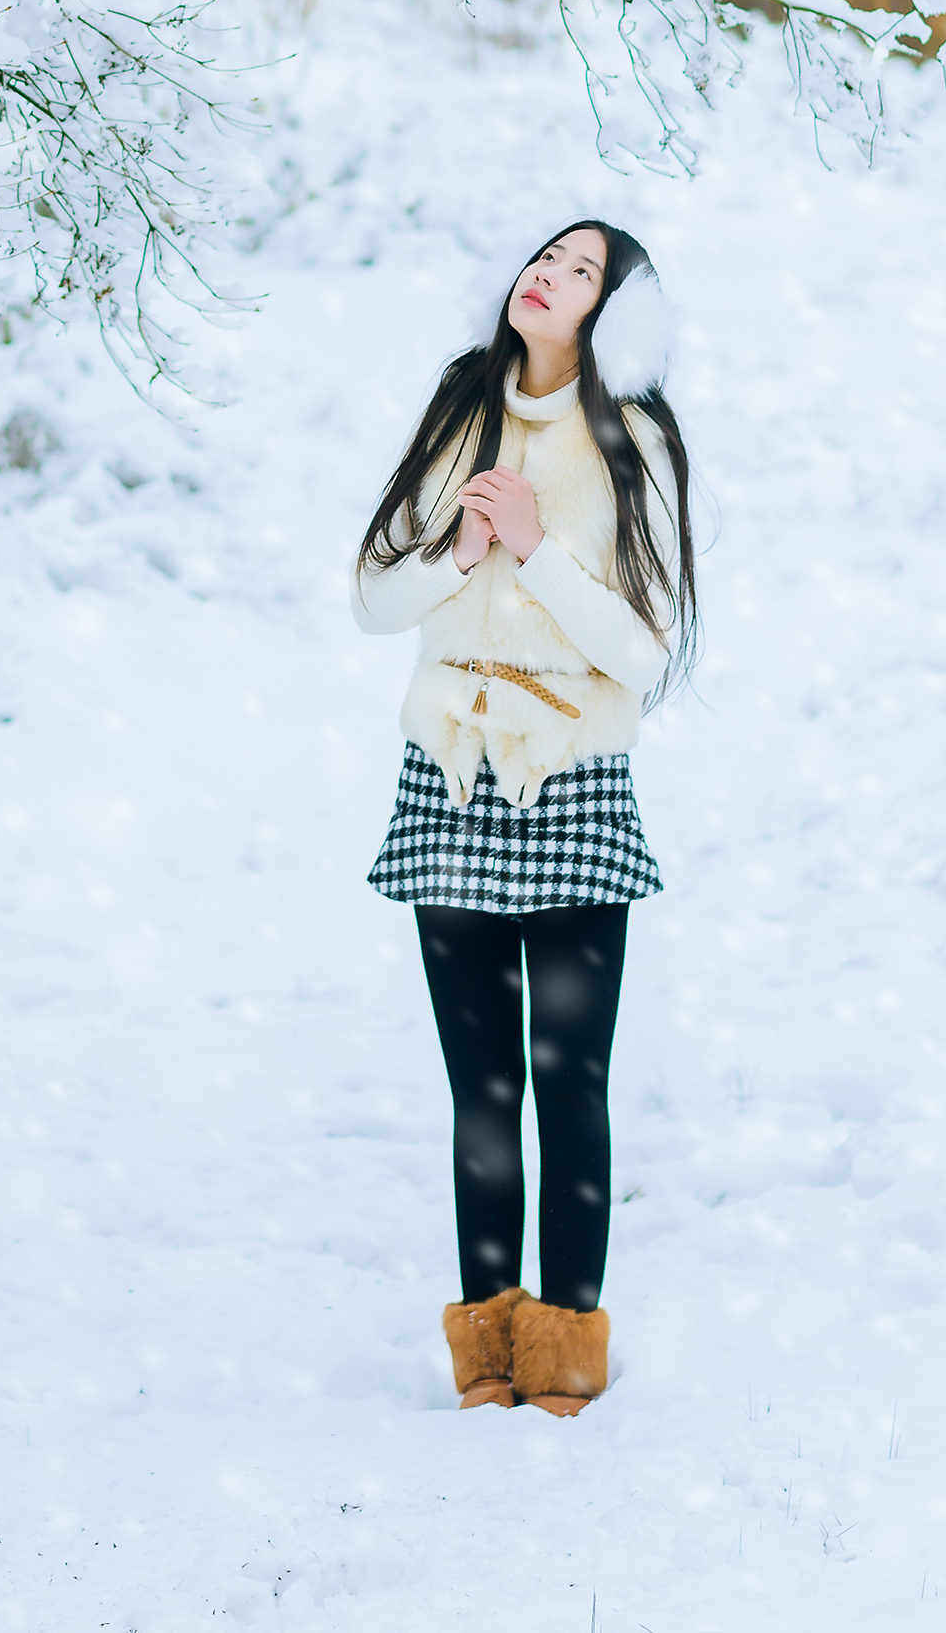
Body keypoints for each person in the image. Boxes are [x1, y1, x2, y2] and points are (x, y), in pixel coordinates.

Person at [353, 221, 697, 1416]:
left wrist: (538, 550)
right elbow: (368, 597)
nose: (547, 272)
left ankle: (565, 1356)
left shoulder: (632, 438)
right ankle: (487, 1358)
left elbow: (640, 654)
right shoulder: (460, 412)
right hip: (446, 775)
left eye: (581, 269)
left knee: (569, 1085)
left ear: (613, 314)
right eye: (543, 253)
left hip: (573, 781)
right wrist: (459, 551)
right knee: (481, 1087)